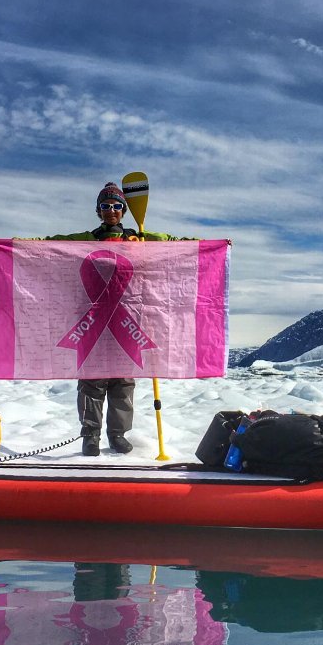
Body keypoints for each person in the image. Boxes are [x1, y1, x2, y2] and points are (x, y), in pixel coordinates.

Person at [43, 182, 196, 457]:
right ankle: (90, 436)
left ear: (123, 211)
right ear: (98, 210)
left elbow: (175, 245)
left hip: (127, 318)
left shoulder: (138, 238)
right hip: (92, 319)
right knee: (91, 380)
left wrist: (210, 247)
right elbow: (51, 245)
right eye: (105, 206)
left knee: (123, 380)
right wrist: (17, 245)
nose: (110, 211)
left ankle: (117, 435)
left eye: (116, 206)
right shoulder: (85, 240)